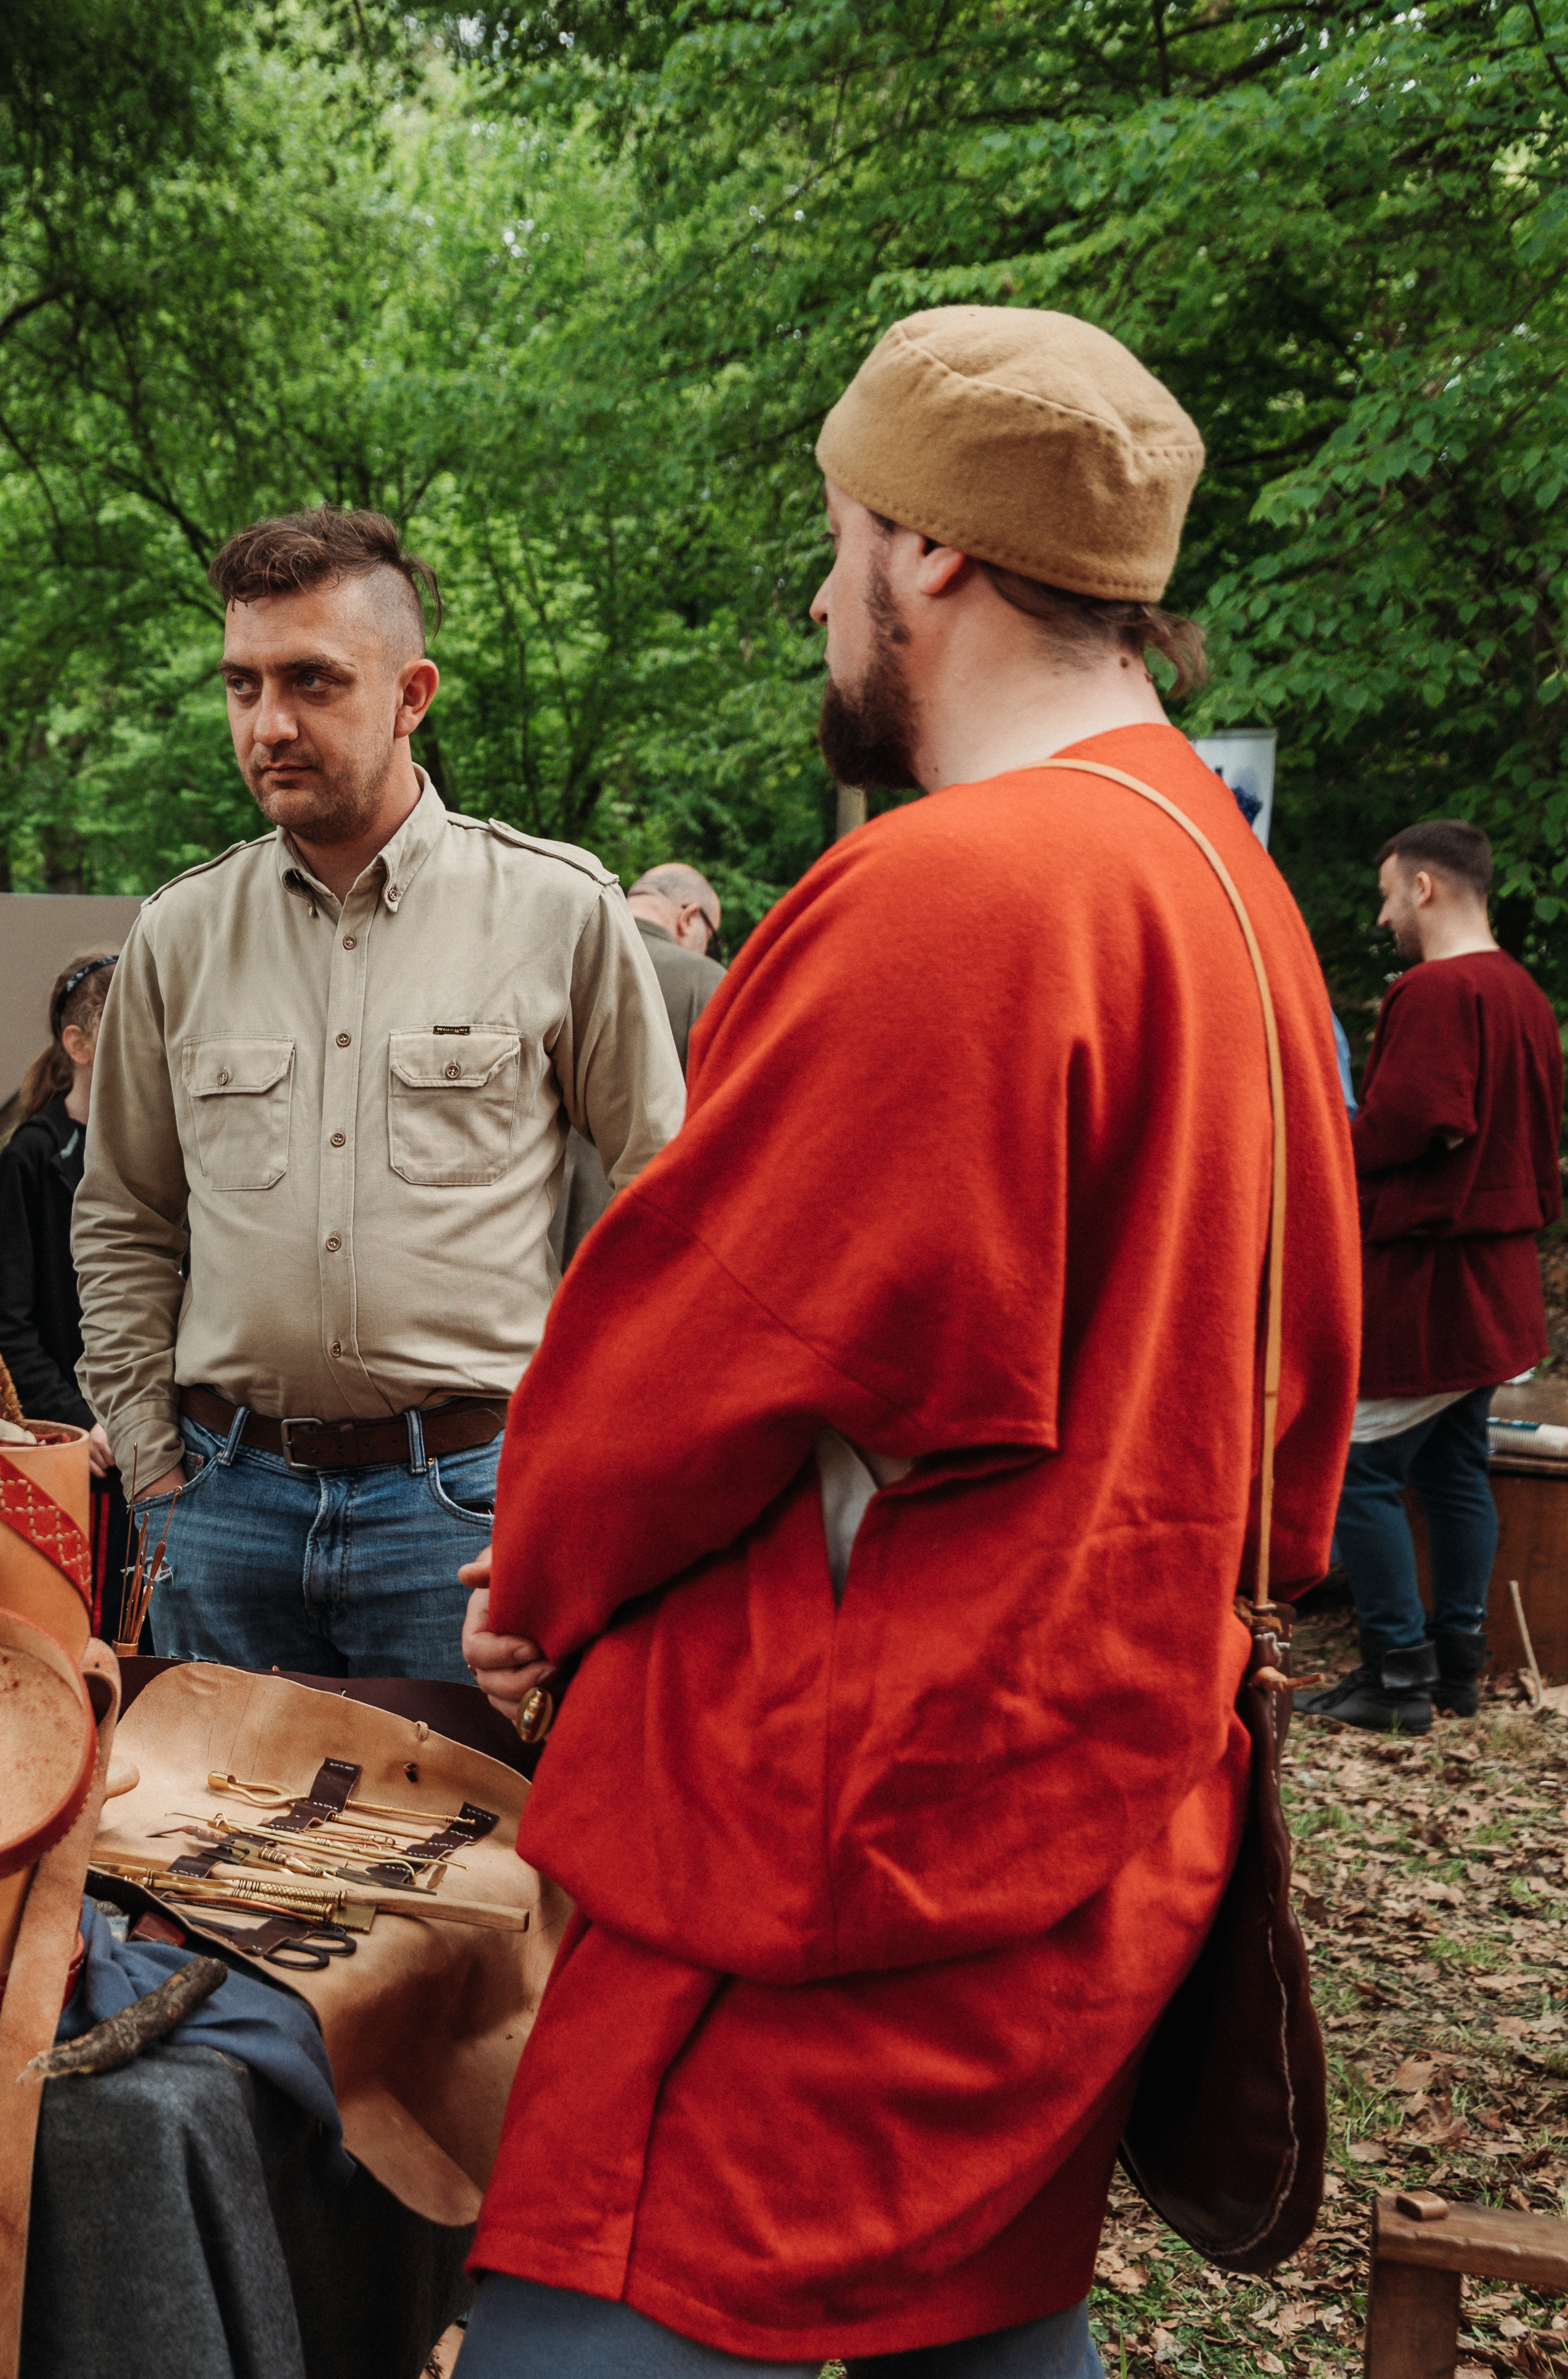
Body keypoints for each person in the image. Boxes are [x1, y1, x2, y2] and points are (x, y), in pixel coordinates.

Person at [454, 307, 1360, 2375]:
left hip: (842, 1858)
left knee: (599, 2304)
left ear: (934, 555)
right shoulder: (1225, 880)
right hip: (1086, 1813)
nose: (816, 591)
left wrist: (539, 1585)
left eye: (837, 534)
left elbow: (698, 1360)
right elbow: (1283, 1420)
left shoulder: (958, 892)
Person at [71, 506, 684, 1682]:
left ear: (411, 695)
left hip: (464, 1516)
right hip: (221, 1501)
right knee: (221, 1863)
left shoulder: (557, 909)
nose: (267, 724)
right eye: (240, 685)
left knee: (467, 1858)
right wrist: (154, 1469)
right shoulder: (178, 932)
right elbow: (123, 1214)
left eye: (311, 680)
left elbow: (666, 1199)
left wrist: (580, 1466)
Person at [1298, 818, 1561, 1735]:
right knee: (1453, 1473)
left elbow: (1423, 1120)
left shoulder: (1440, 989)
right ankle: (1457, 1664)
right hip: (1498, 1278)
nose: (1381, 917)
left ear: (1424, 888)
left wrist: (1319, 1141)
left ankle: (1397, 1675)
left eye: (1385, 895)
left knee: (1357, 1470)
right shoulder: (1521, 991)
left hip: (1432, 1279)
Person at [0, 952, 129, 1628]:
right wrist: (74, 1422)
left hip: (163, 1459)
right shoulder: (33, 1157)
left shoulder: (176, 1149)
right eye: (134, 1027)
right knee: (75, 1644)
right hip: (74, 1461)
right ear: (79, 1043)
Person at [621, 861, 728, 1070]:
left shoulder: (566, 947)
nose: (707, 950)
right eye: (710, 938)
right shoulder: (706, 979)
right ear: (688, 918)